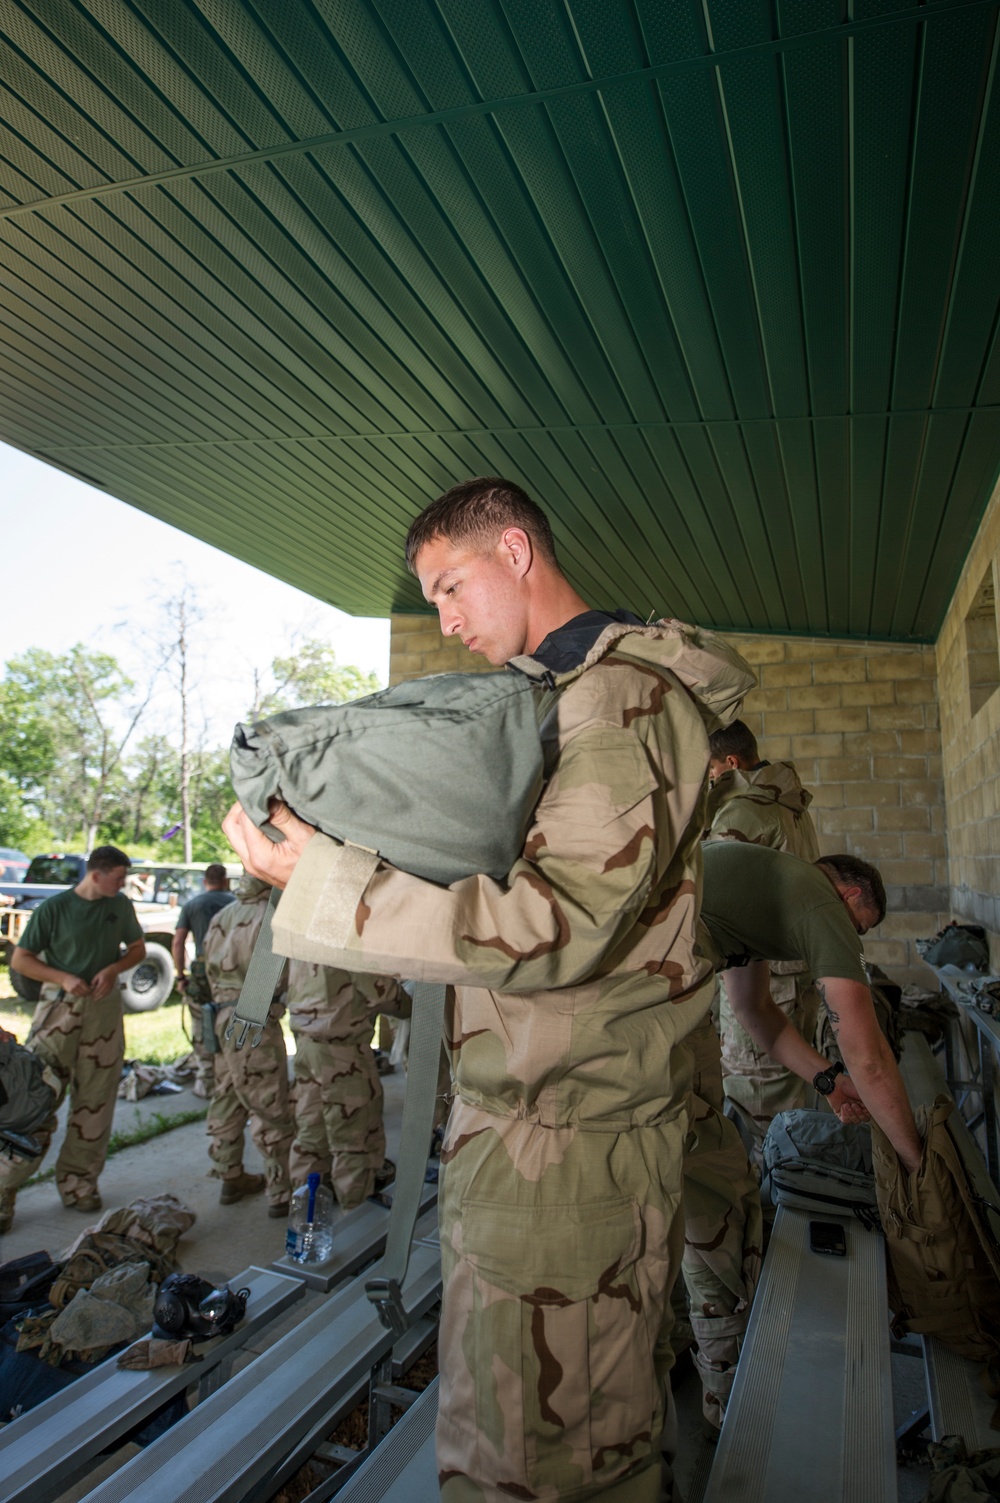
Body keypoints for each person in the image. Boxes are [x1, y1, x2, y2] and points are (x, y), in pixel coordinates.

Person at [224, 475, 755, 1502]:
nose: (449, 621)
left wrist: (330, 883)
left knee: (541, 1470)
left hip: (566, 1149)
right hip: (537, 1133)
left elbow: (557, 926)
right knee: (534, 1444)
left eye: (452, 587)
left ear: (515, 551)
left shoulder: (615, 699)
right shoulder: (557, 701)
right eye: (430, 604)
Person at [699, 842, 922, 1170]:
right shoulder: (821, 901)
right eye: (857, 928)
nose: (850, 937)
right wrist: (916, 1163)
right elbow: (868, 1059)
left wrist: (829, 1080)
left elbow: (753, 1008)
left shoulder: (776, 891)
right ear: (850, 895)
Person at [0, 845, 146, 1231]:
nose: (122, 884)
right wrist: (63, 977)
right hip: (60, 1011)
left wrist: (113, 969)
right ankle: (2, 1193)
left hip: (104, 1014)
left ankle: (79, 1185)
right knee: (32, 1102)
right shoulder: (54, 909)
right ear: (96, 875)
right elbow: (21, 960)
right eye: (117, 877)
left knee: (95, 1104)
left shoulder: (121, 906)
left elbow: (138, 949)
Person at [703, 719, 822, 1161]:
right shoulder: (790, 804)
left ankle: (772, 1218)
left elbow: (711, 896)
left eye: (710, 770)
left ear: (730, 764)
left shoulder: (744, 810)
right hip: (791, 977)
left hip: (761, 984)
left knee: (757, 1107)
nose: (707, 779)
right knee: (784, 1102)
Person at [203, 876, 293, 1216]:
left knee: (227, 1095)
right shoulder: (274, 917)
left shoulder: (222, 915)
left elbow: (204, 966)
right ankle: (280, 1191)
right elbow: (287, 973)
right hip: (254, 1017)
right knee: (268, 1102)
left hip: (221, 1015)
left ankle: (230, 1175)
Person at [287, 961, 405, 1210]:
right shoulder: (348, 933)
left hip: (307, 1047)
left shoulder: (303, 927)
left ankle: (304, 1217)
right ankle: (355, 1222)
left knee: (311, 1137)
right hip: (343, 1055)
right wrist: (419, 1004)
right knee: (355, 1143)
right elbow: (385, 994)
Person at [171, 863, 236, 1099]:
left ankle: (207, 1076)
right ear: (226, 881)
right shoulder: (235, 904)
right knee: (231, 1018)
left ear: (204, 881)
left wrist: (180, 976)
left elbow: (178, 942)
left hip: (201, 967)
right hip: (231, 968)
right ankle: (231, 1073)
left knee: (201, 1020)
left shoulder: (192, 904)